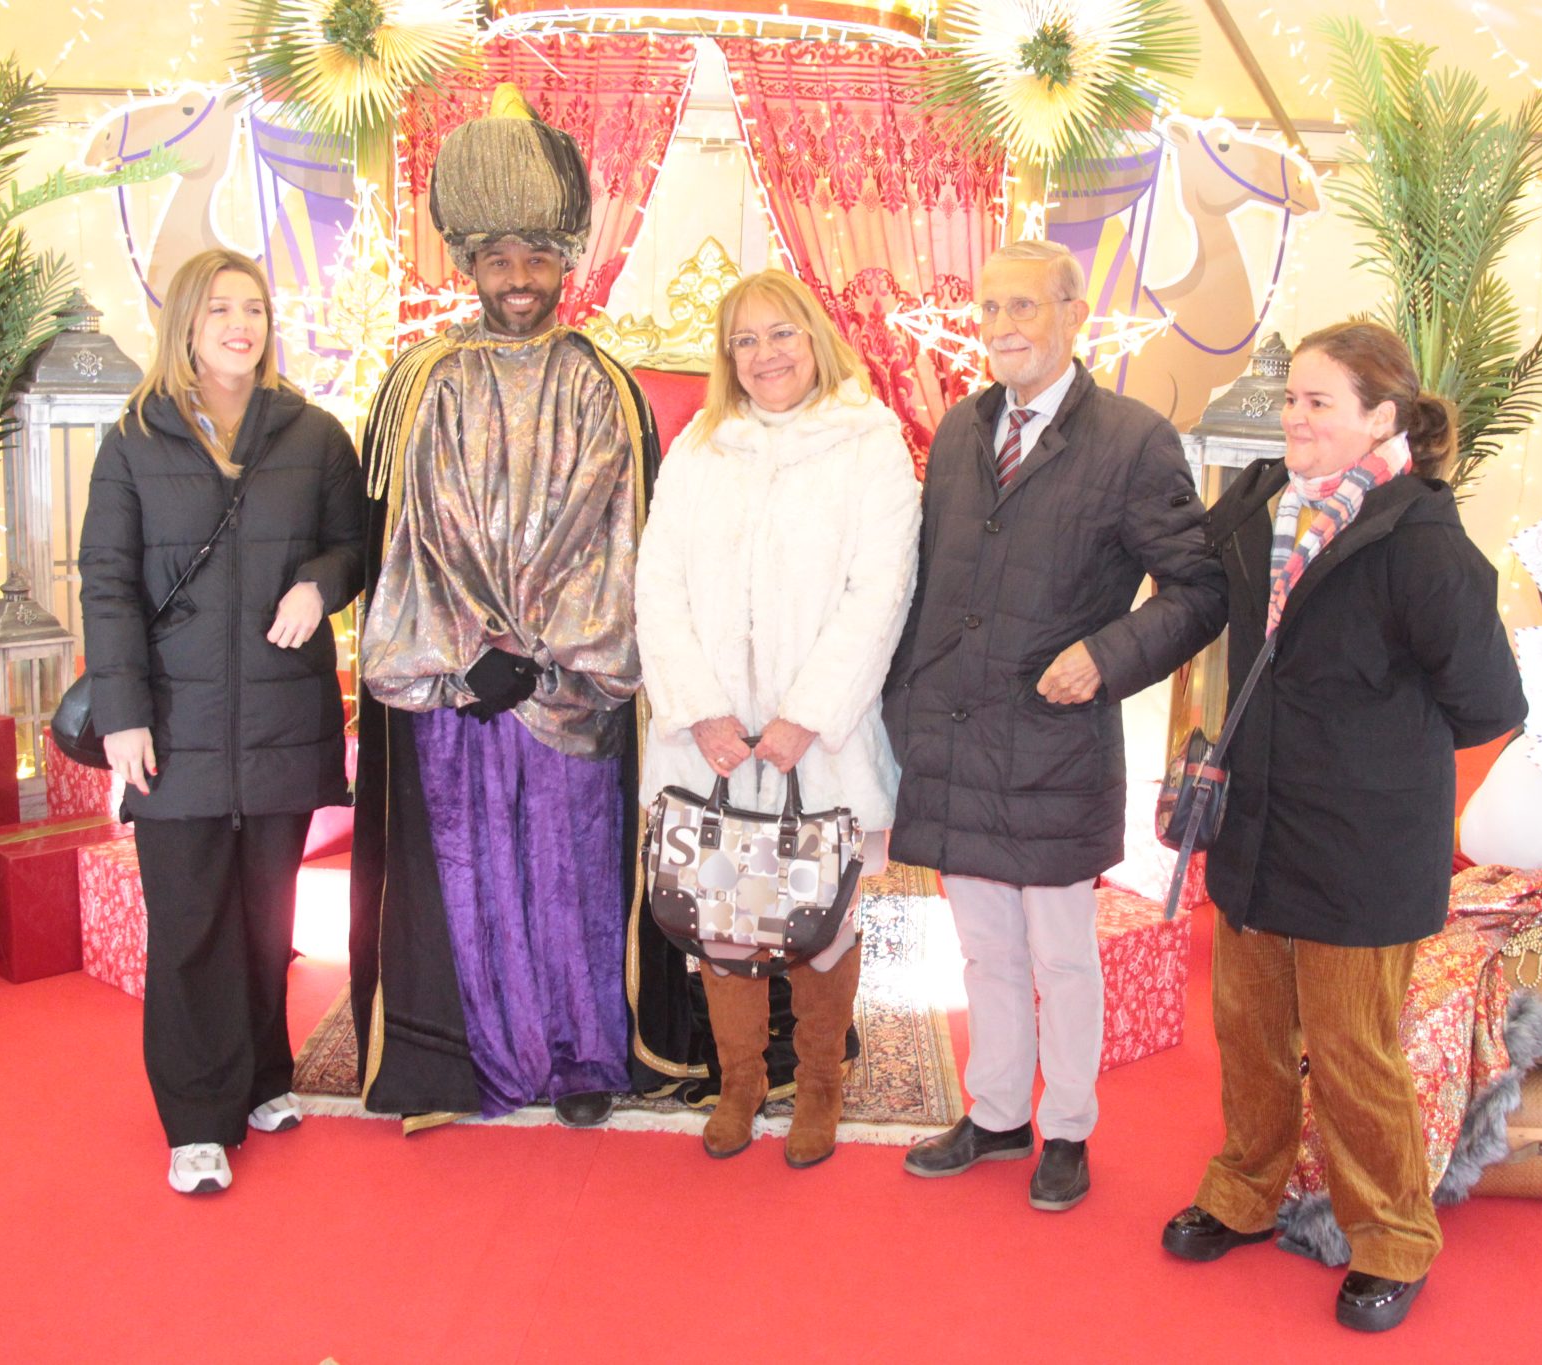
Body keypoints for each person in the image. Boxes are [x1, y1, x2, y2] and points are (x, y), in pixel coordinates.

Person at [1159, 321, 1524, 1333]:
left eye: (1318, 402)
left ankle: (1392, 1240)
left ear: (1380, 419)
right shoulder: (1258, 506)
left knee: (1353, 1053)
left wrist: (1365, 744)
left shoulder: (1422, 544)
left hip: (1359, 850)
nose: (1294, 419)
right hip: (1254, 825)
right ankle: (1243, 1189)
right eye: (1291, 401)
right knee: (1247, 1032)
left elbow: (1488, 703)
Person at [350, 86, 695, 1130]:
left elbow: (617, 538)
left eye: (538, 257)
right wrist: (471, 655)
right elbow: (408, 537)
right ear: (468, 263)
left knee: (570, 878)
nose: (517, 278)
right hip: (455, 689)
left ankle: (583, 1057)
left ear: (566, 264)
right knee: (469, 878)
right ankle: (474, 1058)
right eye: (497, 257)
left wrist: (543, 659)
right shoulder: (420, 381)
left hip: (570, 688)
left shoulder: (604, 385)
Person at [887, 239, 1227, 1211]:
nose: (1000, 327)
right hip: (953, 737)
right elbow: (928, 589)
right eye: (988, 308)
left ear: (1073, 315)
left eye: (1022, 307)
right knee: (982, 951)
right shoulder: (957, 431)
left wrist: (1106, 656)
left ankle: (1067, 1129)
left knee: (1060, 954)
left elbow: (1197, 593)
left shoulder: (1131, 440)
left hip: (1049, 741)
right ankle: (995, 1115)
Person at [79, 248, 364, 1194]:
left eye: (254, 308)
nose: (241, 325)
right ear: (186, 326)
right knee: (191, 922)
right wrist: (122, 714)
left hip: (281, 717)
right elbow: (108, 585)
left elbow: (353, 544)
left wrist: (320, 585)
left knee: (263, 918)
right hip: (174, 722)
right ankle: (197, 1115)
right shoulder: (134, 437)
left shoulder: (314, 434)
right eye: (220, 310)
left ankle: (260, 1077)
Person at [636, 270, 920, 1167]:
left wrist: (805, 716)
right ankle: (740, 1085)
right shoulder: (700, 447)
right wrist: (703, 711)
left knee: (822, 919)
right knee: (722, 915)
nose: (766, 355)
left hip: (820, 741)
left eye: (782, 334)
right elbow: (658, 583)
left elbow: (879, 593)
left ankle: (822, 1087)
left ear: (816, 336)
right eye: (746, 340)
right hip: (712, 743)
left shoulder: (869, 444)